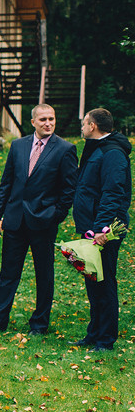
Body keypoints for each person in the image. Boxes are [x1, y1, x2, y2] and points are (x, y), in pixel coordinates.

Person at [0, 104, 77, 334]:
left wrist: (56, 215)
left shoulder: (65, 149)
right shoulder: (18, 146)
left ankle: (40, 323)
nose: (48, 123)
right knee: (8, 274)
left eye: (51, 119)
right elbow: (6, 184)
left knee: (44, 275)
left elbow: (69, 189)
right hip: (14, 221)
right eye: (43, 119)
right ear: (33, 121)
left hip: (44, 222)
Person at [72, 108, 131, 352]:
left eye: (84, 123)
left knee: (105, 282)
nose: (82, 127)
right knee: (93, 281)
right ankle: (94, 333)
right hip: (91, 228)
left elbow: (113, 193)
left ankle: (106, 339)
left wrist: (101, 229)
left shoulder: (113, 152)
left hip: (104, 231)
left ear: (93, 125)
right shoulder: (97, 149)